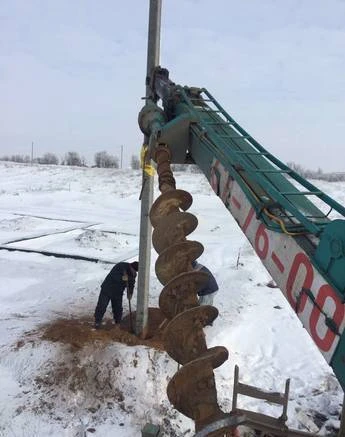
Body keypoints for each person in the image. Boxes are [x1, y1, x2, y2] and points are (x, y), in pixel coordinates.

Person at [94, 261, 139, 329]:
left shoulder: (133, 274)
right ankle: (97, 321)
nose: (134, 273)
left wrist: (130, 293)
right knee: (102, 305)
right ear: (131, 267)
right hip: (107, 289)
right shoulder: (120, 266)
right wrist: (123, 278)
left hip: (118, 292)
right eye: (133, 271)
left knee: (118, 308)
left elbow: (131, 284)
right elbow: (114, 276)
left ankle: (118, 322)